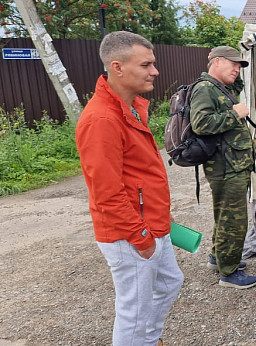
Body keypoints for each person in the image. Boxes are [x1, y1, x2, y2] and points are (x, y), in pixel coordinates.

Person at [75, 31, 184, 345]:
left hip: (151, 223)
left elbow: (137, 175)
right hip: (130, 232)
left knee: (170, 282)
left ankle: (149, 339)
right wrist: (140, 235)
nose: (155, 71)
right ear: (117, 67)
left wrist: (160, 220)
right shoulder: (102, 120)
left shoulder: (131, 107)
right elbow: (106, 192)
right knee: (133, 311)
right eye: (146, 64)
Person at [190, 46, 256, 289]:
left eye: (240, 65)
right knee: (233, 218)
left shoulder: (220, 88)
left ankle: (218, 256)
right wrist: (235, 114)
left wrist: (238, 65)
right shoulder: (205, 89)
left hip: (232, 165)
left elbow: (236, 85)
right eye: (233, 64)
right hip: (225, 167)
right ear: (217, 62)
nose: (237, 69)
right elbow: (201, 124)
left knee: (223, 213)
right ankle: (228, 273)